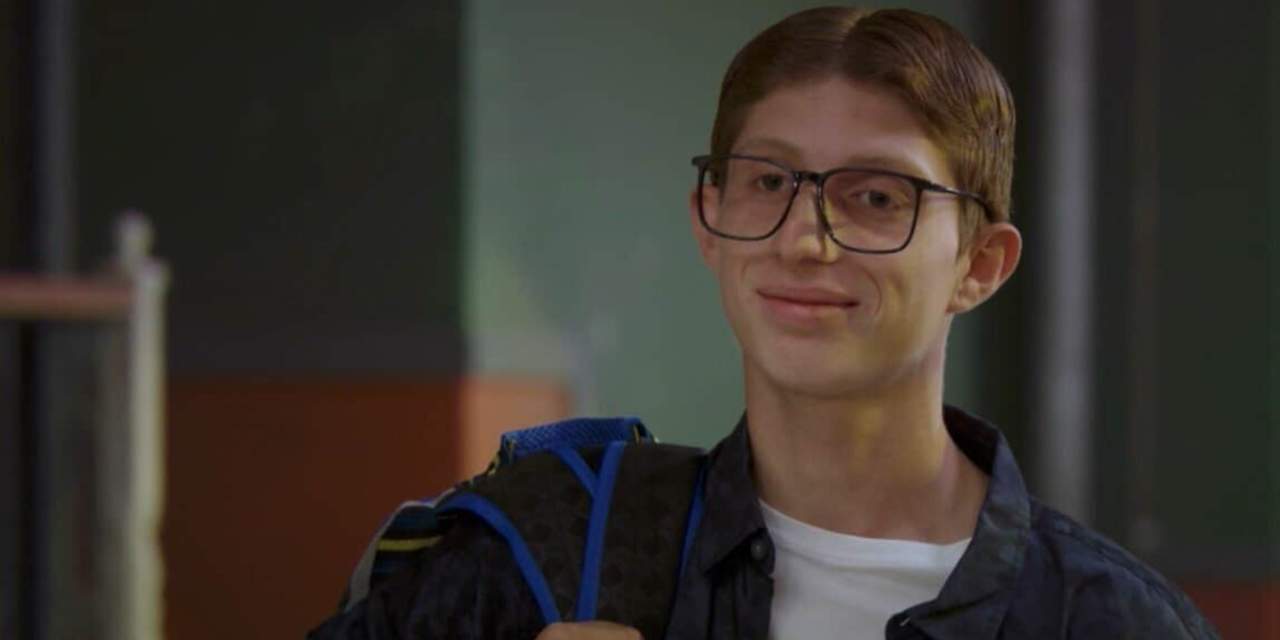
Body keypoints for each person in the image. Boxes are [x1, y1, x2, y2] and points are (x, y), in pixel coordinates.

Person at [311, 6, 1218, 639]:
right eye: (770, 181)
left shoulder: (1110, 621)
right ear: (709, 220)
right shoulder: (548, 556)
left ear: (979, 264)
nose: (804, 239)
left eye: (876, 196)